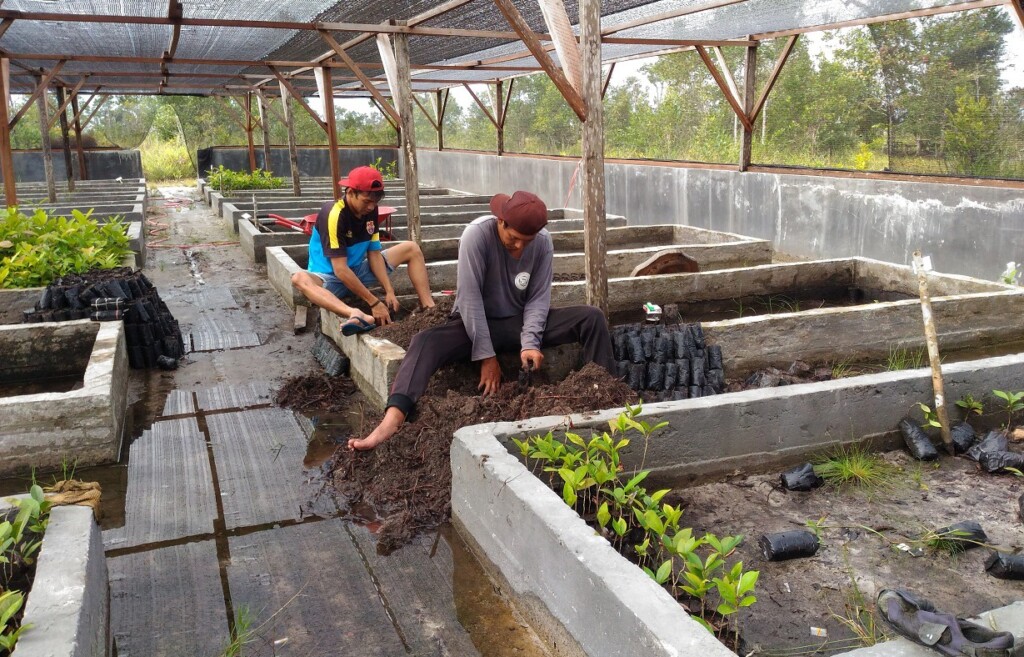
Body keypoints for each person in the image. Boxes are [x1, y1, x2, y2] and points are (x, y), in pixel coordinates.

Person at [349, 190, 616, 450]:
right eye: (514, 238)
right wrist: (486, 356)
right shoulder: (476, 235)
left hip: (518, 323)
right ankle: (392, 419)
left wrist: (530, 343)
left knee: (591, 318)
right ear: (502, 222)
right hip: (472, 325)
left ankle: (606, 393)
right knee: (424, 341)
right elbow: (470, 300)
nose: (520, 248)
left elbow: (537, 299)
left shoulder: (543, 242)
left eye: (528, 240)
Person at [290, 166, 435, 335]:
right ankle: (354, 313)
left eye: (375, 202)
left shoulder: (371, 212)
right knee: (299, 278)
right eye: (367, 201)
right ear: (351, 192)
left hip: (357, 272)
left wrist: (389, 291)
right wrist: (374, 303)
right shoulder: (334, 214)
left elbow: (373, 254)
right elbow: (340, 270)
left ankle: (429, 309)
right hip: (329, 279)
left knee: (411, 248)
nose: (371, 207)